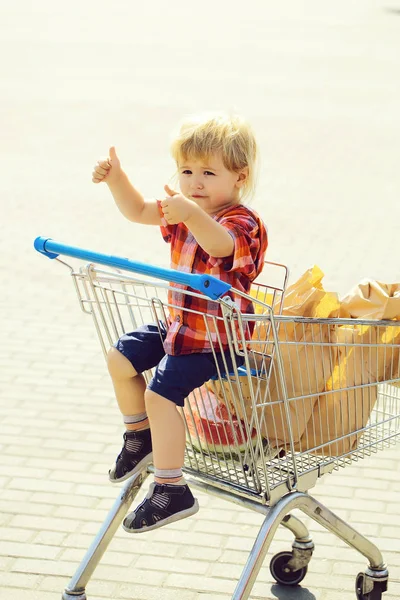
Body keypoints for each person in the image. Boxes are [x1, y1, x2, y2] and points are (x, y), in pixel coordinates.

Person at [92, 112, 268, 533]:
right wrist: (117, 179)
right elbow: (137, 211)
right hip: (181, 325)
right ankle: (140, 437)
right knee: (120, 358)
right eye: (187, 171)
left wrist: (189, 212)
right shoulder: (186, 210)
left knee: (160, 395)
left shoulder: (242, 222)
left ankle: (172, 488)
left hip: (217, 341)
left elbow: (220, 245)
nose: (195, 182)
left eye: (209, 172)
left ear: (239, 177)